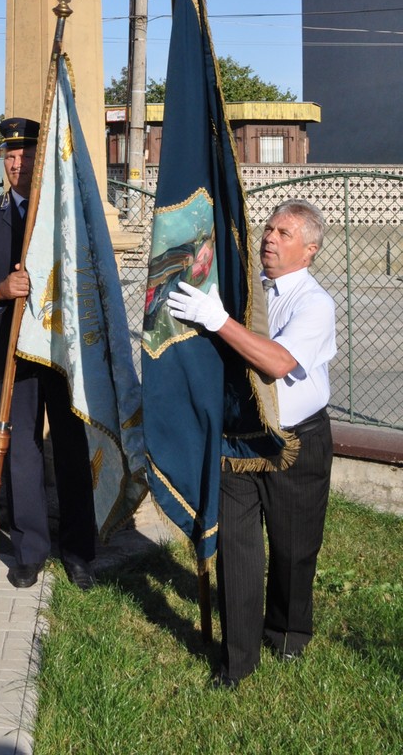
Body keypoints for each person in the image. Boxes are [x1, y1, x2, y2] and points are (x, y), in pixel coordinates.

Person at [168, 199, 337, 689]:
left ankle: (286, 635)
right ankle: (237, 662)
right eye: (268, 229)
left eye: (284, 234)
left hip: (294, 442)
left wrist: (218, 319)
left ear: (309, 250)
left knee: (293, 551)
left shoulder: (315, 303)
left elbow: (278, 363)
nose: (269, 239)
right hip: (241, 438)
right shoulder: (248, 291)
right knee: (237, 551)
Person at [0, 118, 97, 590]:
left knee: (71, 450)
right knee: (19, 450)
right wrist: (1, 287)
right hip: (13, 350)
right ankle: (29, 550)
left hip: (61, 350)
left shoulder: (66, 214)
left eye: (27, 156)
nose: (18, 164)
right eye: (11, 157)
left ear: (42, 160)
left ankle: (78, 552)